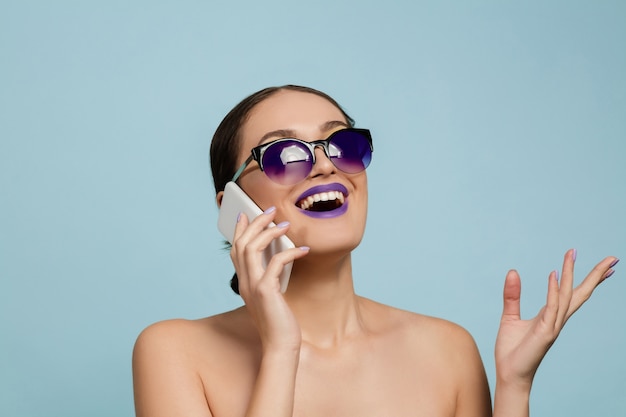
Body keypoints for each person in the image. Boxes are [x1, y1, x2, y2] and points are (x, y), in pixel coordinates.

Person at [132, 85, 619, 417]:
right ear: (233, 206)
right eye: (285, 154)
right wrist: (281, 349)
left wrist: (514, 388)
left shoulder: (448, 349)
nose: (325, 166)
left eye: (341, 144)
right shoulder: (174, 352)